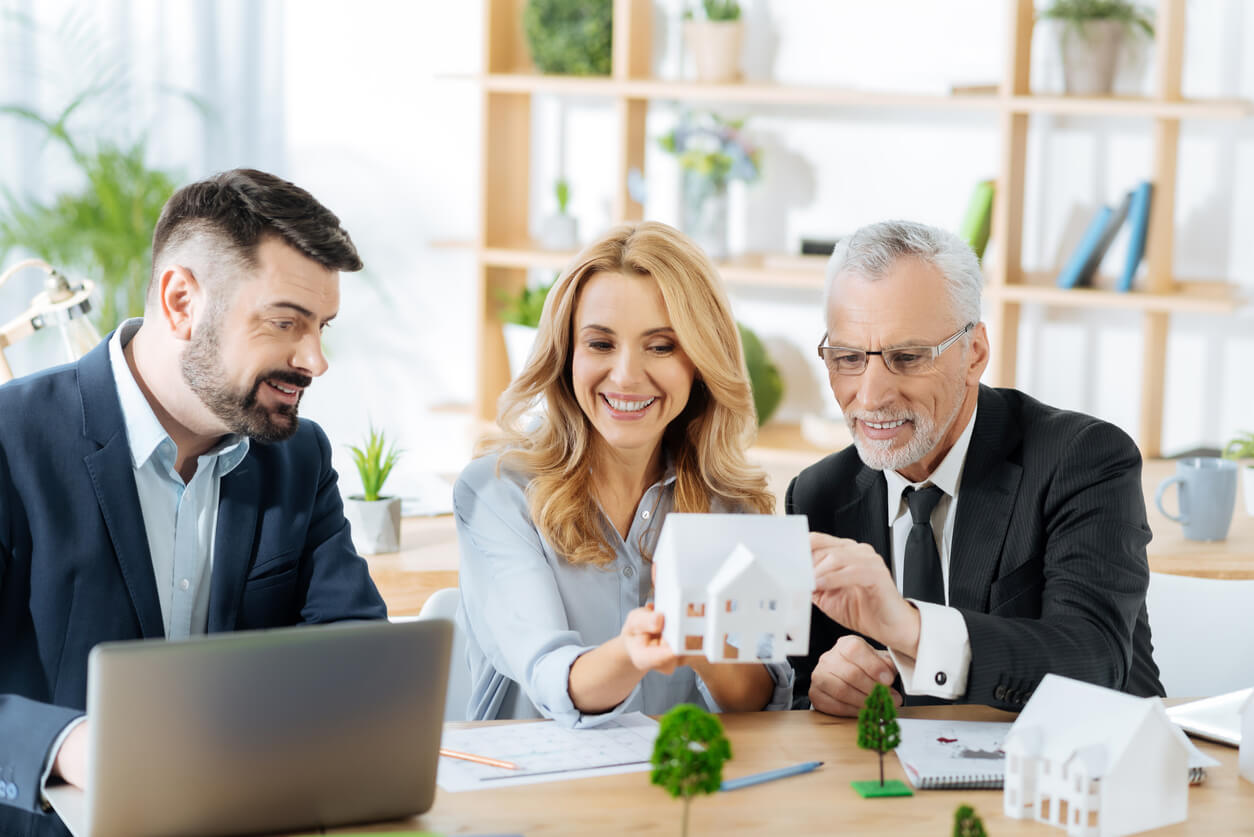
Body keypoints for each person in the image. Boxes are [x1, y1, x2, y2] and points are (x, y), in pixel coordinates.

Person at [0, 169, 387, 837]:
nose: (316, 359)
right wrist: (71, 746)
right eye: (286, 322)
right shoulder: (12, 441)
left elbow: (354, 654)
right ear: (181, 301)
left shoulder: (299, 458)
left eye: (321, 325)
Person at [788, 219, 1163, 717]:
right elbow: (800, 690)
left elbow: (1095, 660)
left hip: (1082, 771)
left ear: (975, 354)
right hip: (895, 783)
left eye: (906, 357)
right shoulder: (818, 495)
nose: (871, 395)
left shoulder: (1083, 457)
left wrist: (909, 627)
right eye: (849, 357)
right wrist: (828, 688)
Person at [454, 221, 793, 725]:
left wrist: (698, 636)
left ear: (699, 361)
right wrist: (637, 649)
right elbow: (550, 676)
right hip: (535, 790)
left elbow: (759, 702)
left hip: (682, 789)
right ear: (567, 353)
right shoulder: (496, 492)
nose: (627, 375)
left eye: (660, 346)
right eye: (600, 344)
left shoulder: (732, 502)